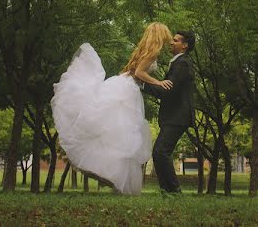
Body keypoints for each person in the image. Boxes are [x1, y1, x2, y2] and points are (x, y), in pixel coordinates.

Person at [50, 22, 173, 194]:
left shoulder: (144, 49)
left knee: (117, 132)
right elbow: (139, 73)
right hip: (127, 88)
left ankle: (115, 180)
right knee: (121, 132)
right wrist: (158, 82)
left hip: (124, 83)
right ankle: (113, 177)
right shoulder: (153, 52)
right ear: (160, 35)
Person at [141, 31, 195, 194]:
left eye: (175, 40)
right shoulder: (178, 62)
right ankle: (167, 190)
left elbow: (167, 90)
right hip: (173, 116)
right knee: (160, 153)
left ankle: (174, 191)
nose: (171, 42)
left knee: (161, 152)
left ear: (184, 46)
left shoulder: (183, 63)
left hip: (178, 116)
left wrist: (142, 85)